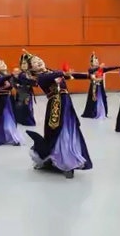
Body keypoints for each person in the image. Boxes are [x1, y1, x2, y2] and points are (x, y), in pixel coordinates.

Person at [24, 50, 92, 179]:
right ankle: (63, 162)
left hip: (66, 104)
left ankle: (69, 160)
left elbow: (71, 75)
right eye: (35, 62)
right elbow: (55, 76)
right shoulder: (41, 77)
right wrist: (63, 73)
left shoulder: (52, 72)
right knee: (58, 132)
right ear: (32, 69)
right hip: (55, 106)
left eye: (39, 59)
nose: (38, 62)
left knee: (69, 131)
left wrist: (89, 76)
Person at [0, 55, 23, 146]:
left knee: (9, 119)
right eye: (0, 64)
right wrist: (12, 75)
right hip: (1, 101)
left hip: (8, 100)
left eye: (4, 63)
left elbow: (13, 85)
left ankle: (12, 137)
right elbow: (2, 80)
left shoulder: (8, 77)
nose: (3, 64)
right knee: (1, 118)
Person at [81, 52, 119, 119]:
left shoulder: (101, 69)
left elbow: (109, 68)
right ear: (92, 63)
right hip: (94, 88)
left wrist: (118, 67)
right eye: (95, 61)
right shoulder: (91, 69)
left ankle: (102, 111)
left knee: (102, 98)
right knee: (93, 100)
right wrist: (99, 67)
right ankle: (93, 112)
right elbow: (92, 71)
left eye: (97, 61)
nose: (97, 62)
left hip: (100, 87)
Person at [13, 52, 36, 126]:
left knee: (27, 107)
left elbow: (34, 83)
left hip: (27, 93)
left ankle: (24, 120)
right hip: (22, 93)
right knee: (22, 107)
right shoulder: (20, 74)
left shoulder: (29, 73)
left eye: (26, 63)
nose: (24, 65)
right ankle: (25, 121)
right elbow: (14, 82)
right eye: (22, 63)